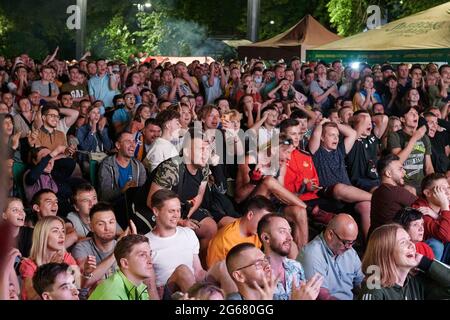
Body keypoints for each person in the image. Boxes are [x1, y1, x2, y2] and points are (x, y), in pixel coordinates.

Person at [147, 128, 217, 264]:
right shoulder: (172, 167)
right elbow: (152, 202)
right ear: (186, 152)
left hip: (181, 207)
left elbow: (198, 196)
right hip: (156, 209)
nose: (205, 154)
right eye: (200, 149)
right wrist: (180, 222)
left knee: (210, 228)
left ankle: (199, 266)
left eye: (207, 149)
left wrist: (188, 216)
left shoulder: (204, 168)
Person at [308, 120, 372, 239]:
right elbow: (316, 135)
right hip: (329, 193)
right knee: (339, 188)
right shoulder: (316, 152)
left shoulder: (340, 151)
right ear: (322, 138)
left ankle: (369, 243)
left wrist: (333, 123)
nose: (336, 138)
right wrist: (322, 123)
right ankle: (377, 198)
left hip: (348, 195)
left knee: (366, 205)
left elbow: (352, 133)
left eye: (337, 135)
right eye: (332, 135)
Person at [359, 223, 450, 300]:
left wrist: (426, 263)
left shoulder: (414, 282)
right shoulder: (373, 287)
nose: (411, 245)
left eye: (409, 240)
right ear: (386, 253)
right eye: (403, 242)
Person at [145, 189, 207, 299]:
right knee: (183, 271)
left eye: (178, 211)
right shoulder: (146, 243)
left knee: (222, 267)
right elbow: (150, 286)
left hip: (191, 288)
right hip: (166, 293)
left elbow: (198, 271)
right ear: (156, 211)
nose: (176, 215)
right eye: (171, 211)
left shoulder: (188, 234)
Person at [298, 214, 364, 300]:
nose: (350, 247)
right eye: (346, 242)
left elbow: (361, 283)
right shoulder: (312, 254)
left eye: (352, 242)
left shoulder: (349, 251)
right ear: (330, 234)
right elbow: (323, 297)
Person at [257, 214, 323, 300]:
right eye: (282, 231)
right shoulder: (257, 273)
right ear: (266, 238)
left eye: (290, 231)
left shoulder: (296, 266)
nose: (290, 238)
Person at [19, 216, 80, 300]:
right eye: (55, 231)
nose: (62, 235)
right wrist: (52, 269)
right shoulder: (28, 265)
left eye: (63, 231)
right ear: (42, 235)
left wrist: (88, 273)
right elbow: (33, 298)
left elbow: (80, 285)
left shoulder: (66, 258)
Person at [206, 195, 273, 268]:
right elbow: (213, 274)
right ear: (250, 215)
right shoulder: (223, 240)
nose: (264, 226)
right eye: (262, 221)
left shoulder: (258, 233)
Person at [98, 131, 146, 226]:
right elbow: (104, 196)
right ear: (118, 145)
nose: (133, 145)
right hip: (113, 208)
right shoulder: (107, 165)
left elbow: (144, 193)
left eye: (134, 141)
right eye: (128, 141)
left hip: (134, 208)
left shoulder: (139, 166)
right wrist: (123, 190)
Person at [88, 234, 157, 300]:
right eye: (142, 255)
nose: (150, 261)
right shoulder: (111, 293)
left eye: (150, 254)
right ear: (125, 263)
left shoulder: (139, 285)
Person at [387, 107, 434, 192]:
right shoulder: (395, 136)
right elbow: (398, 161)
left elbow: (428, 167)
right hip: (402, 183)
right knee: (411, 190)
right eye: (411, 113)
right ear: (402, 119)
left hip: (421, 183)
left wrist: (434, 183)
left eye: (416, 113)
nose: (415, 115)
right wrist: (414, 138)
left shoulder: (424, 138)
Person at [370, 154, 418, 235]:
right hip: (391, 242)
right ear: (388, 174)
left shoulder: (378, 191)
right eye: (400, 169)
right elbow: (422, 205)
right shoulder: (393, 190)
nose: (404, 172)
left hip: (378, 240)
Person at [412, 173, 450, 263]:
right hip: (421, 256)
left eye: (448, 187)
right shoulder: (419, 209)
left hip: (444, 251)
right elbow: (445, 235)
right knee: (436, 244)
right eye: (442, 189)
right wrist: (444, 205)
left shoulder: (446, 204)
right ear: (428, 193)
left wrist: (437, 216)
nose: (448, 192)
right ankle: (431, 276)